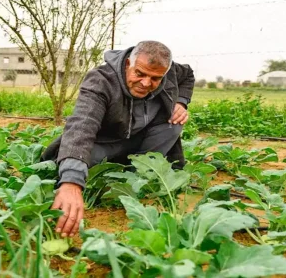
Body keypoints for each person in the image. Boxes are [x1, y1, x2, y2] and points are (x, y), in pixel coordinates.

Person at [41, 40, 195, 237]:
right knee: (78, 162)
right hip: (108, 141)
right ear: (128, 63)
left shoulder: (170, 71)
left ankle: (136, 174)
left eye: (155, 78)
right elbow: (82, 124)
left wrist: (181, 102)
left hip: (142, 138)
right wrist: (71, 181)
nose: (146, 83)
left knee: (175, 123)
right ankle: (98, 171)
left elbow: (188, 75)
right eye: (140, 74)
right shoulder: (102, 80)